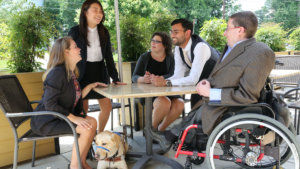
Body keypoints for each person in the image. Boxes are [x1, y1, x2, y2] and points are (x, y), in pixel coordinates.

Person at [164, 11, 275, 145]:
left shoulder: (260, 52)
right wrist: (208, 82)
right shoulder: (232, 49)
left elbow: (247, 96)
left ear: (240, 30)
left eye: (227, 29)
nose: (224, 33)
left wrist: (210, 93)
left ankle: (169, 138)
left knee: (194, 118)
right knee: (192, 116)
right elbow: (223, 75)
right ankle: (170, 138)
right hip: (215, 103)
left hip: (228, 108)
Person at [30, 37, 106, 169]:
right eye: (75, 46)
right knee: (86, 127)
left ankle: (81, 161)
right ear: (66, 52)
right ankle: (74, 167)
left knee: (92, 122)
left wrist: (90, 86)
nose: (79, 49)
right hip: (47, 120)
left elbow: (74, 96)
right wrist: (74, 118)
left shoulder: (70, 73)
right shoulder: (57, 73)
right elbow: (50, 104)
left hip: (58, 117)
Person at [68, 0, 126, 132]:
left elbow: (109, 58)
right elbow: (67, 54)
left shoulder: (104, 31)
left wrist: (115, 78)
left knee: (107, 107)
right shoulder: (75, 31)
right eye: (95, 10)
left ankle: (99, 135)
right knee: (83, 110)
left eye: (101, 11)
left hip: (100, 72)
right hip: (81, 73)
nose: (99, 13)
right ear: (85, 12)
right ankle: (86, 137)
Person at [151, 18, 219, 109]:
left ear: (187, 33)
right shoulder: (178, 49)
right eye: (171, 32)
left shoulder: (200, 47)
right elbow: (178, 76)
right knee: (194, 111)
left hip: (218, 88)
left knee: (197, 109)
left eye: (176, 32)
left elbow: (193, 79)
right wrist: (162, 80)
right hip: (202, 87)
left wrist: (166, 82)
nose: (172, 35)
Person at [132, 32, 184, 131]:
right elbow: (134, 77)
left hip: (168, 91)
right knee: (164, 102)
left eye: (157, 41)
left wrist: (159, 78)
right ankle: (151, 130)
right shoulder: (144, 57)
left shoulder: (171, 58)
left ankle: (160, 130)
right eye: (152, 40)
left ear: (164, 45)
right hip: (149, 94)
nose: (153, 43)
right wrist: (143, 79)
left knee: (180, 103)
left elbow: (174, 75)